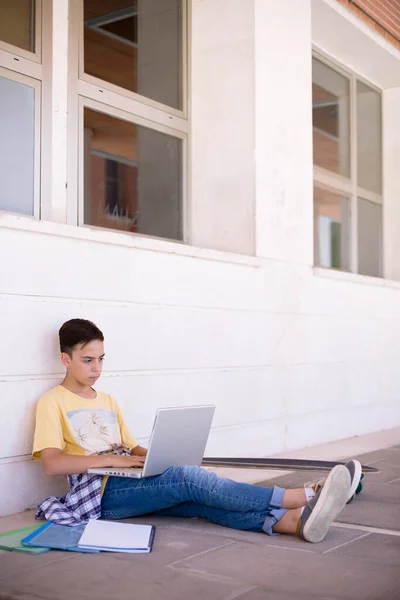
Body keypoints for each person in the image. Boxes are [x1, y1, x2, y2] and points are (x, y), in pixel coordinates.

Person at [32, 319, 361, 543]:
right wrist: (110, 463)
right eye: (88, 360)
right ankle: (301, 496)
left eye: (101, 359)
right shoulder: (52, 402)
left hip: (128, 480)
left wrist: (161, 456)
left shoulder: (107, 400)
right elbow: (52, 463)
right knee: (191, 480)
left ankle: (291, 523)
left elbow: (132, 450)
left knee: (199, 499)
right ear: (66, 359)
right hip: (100, 494)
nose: (97, 368)